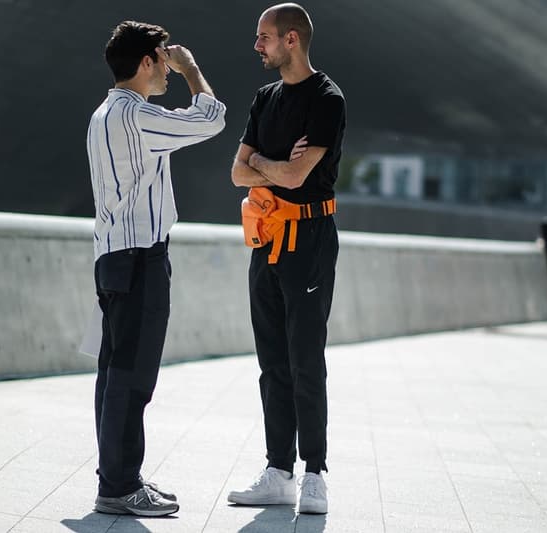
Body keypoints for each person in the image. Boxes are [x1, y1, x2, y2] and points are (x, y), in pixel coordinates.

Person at [86, 20, 225, 516]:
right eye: (163, 58)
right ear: (146, 62)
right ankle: (120, 486)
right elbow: (211, 120)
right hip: (141, 257)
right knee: (132, 375)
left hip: (112, 256)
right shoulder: (137, 118)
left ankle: (117, 478)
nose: (167, 66)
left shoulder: (103, 114)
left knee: (114, 373)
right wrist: (193, 71)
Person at [226, 3, 345, 515]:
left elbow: (298, 180)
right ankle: (278, 471)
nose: (258, 45)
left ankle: (314, 474)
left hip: (310, 239)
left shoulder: (327, 99)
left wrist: (262, 165)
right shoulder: (264, 97)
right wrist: (274, 166)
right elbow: (236, 173)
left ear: (291, 39)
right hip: (265, 238)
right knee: (271, 360)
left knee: (305, 359)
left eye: (265, 37)